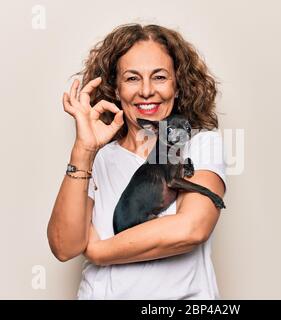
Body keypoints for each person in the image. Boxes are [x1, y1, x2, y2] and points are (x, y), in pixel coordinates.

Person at [47, 23, 226, 300]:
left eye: (159, 77)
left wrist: (98, 251)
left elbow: (191, 229)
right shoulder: (100, 157)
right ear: (116, 90)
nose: (146, 91)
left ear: (177, 87)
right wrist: (83, 150)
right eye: (132, 79)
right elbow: (64, 246)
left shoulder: (200, 144)